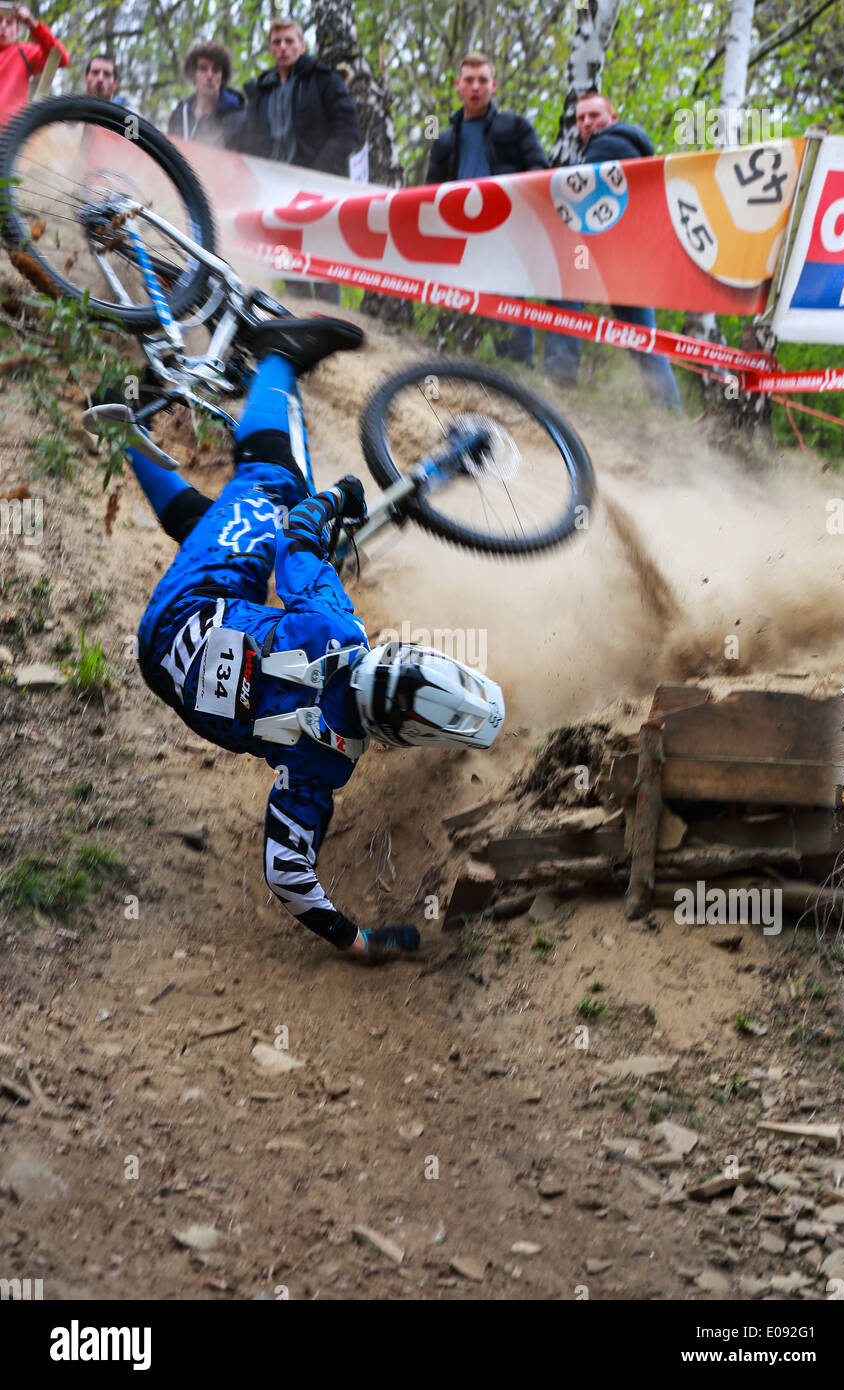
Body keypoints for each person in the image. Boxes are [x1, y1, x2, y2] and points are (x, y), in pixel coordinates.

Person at [129, 317, 505, 959]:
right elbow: (286, 872)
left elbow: (298, 539)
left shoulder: (335, 628)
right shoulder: (321, 763)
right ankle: (138, 425)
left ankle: (275, 357)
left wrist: (336, 498)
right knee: (215, 529)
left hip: (191, 610)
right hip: (162, 667)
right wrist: (356, 940)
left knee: (275, 483)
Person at [544, 92, 681, 411]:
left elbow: (575, 196)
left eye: (595, 115)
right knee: (643, 337)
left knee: (565, 297)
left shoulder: (612, 143)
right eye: (581, 118)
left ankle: (558, 387)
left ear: (613, 118)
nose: (588, 123)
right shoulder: (620, 145)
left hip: (609, 254)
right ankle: (669, 412)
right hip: (626, 255)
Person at [427, 52, 548, 367]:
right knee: (460, 303)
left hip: (505, 230)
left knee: (510, 299)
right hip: (459, 235)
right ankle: (458, 367)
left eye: (482, 80)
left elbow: (540, 170)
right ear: (457, 85)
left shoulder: (516, 126)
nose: (476, 87)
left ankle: (521, 373)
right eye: (469, 80)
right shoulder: (444, 138)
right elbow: (429, 191)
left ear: (494, 85)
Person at [229, 17, 360, 304]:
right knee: (287, 261)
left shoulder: (326, 81)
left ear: (302, 45)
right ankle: (297, 323)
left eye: (289, 41)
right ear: (270, 49)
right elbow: (248, 141)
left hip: (319, 186)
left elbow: (347, 131)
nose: (283, 47)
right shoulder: (260, 91)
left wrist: (316, 174)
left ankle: (330, 323)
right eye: (277, 42)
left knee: (323, 261)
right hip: (274, 190)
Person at [0, 3, 68, 126]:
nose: (3, 26)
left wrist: (33, 25)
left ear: (17, 31)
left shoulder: (23, 52)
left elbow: (60, 58)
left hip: (10, 137)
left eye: (9, 23)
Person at [167, 42, 243, 147]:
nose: (209, 75)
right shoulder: (179, 115)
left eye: (215, 70)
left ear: (223, 77)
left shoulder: (238, 116)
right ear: (193, 75)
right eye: (203, 68)